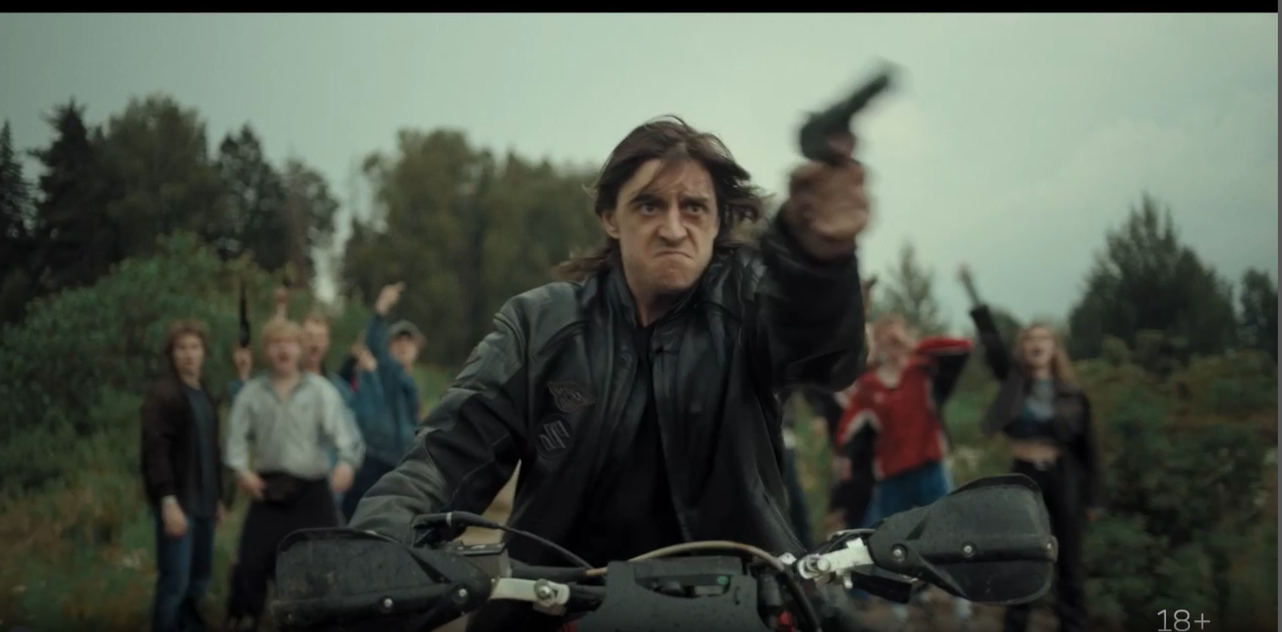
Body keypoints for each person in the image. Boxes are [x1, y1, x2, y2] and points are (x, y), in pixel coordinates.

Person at [348, 116, 872, 632]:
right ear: (611, 218)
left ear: (717, 223)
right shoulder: (539, 325)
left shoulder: (748, 304)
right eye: (649, 205)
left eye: (694, 207)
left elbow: (826, 352)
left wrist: (821, 262)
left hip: (746, 607)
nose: (673, 229)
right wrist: (378, 545)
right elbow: (447, 456)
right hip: (555, 610)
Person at [958, 264, 1102, 632]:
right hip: (1023, 479)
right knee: (1022, 557)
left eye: (1044, 339)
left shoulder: (1073, 394)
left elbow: (1089, 450)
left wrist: (1094, 499)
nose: (1036, 344)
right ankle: (1016, 625)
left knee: (1069, 560)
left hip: (1063, 478)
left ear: (1054, 348)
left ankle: (1073, 625)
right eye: (1030, 339)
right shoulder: (1014, 382)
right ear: (1023, 347)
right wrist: (971, 288)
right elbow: (991, 341)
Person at [223, 318, 366, 632]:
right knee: (249, 565)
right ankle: (245, 620)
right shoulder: (252, 393)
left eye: (289, 343)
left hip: (312, 492)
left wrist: (346, 464)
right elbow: (235, 442)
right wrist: (242, 472)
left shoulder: (320, 391)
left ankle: (326, 624)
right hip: (267, 491)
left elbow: (348, 437)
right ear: (266, 351)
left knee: (327, 564)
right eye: (276, 343)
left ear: (300, 349)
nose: (283, 350)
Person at [835, 314, 974, 631]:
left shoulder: (923, 370)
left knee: (949, 536)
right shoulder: (870, 386)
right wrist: (846, 459)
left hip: (931, 469)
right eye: (886, 338)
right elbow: (848, 429)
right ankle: (899, 614)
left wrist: (913, 345)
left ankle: (963, 609)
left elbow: (962, 347)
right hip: (892, 477)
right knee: (893, 542)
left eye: (896, 336)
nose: (892, 342)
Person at [139, 319, 229, 632]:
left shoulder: (205, 395)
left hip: (205, 504)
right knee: (174, 584)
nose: (189, 354)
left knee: (199, 581)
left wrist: (219, 498)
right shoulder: (163, 396)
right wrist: (167, 500)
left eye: (195, 347)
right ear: (172, 354)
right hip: (179, 504)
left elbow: (212, 451)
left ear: (203, 352)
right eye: (181, 348)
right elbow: (155, 452)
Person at [340, 282, 424, 520]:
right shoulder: (387, 372)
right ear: (389, 347)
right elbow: (374, 342)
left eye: (409, 341)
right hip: (375, 462)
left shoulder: (413, 387)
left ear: (417, 350)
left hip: (401, 467)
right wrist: (381, 309)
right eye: (398, 340)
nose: (404, 345)